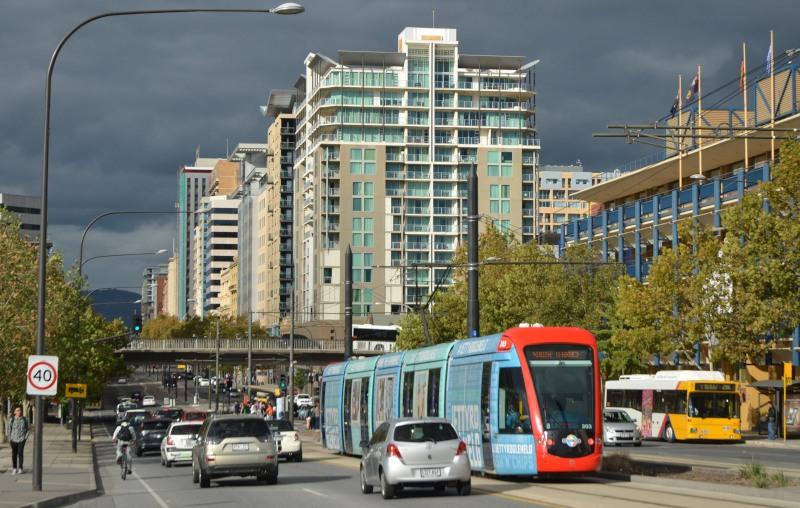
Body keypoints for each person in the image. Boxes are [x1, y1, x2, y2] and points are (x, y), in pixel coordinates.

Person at [7, 406, 29, 475]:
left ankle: (20, 468)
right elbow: (9, 429)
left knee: (20, 453)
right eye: (17, 410)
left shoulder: (25, 419)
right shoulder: (12, 419)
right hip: (13, 439)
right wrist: (9, 438)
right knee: (14, 454)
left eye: (20, 410)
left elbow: (28, 429)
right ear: (14, 412)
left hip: (21, 439)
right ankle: (14, 468)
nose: (19, 411)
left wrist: (25, 438)